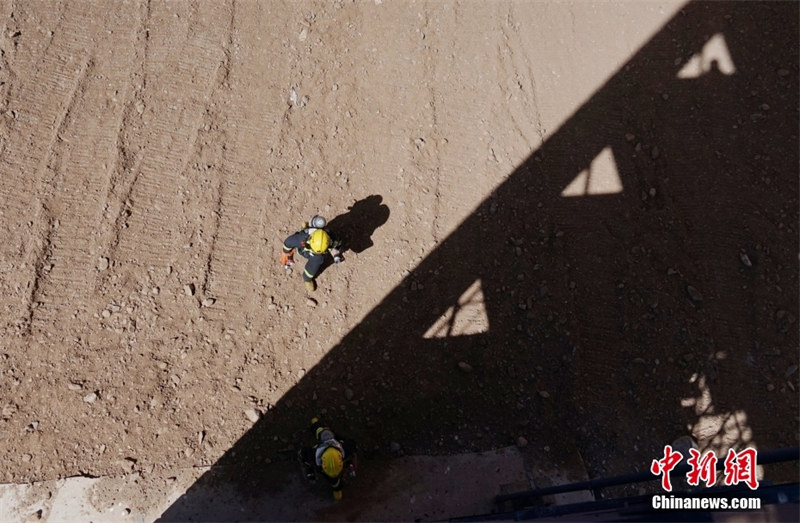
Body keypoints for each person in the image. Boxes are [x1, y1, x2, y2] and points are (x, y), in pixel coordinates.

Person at [299, 417, 357, 500]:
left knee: (327, 433)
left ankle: (316, 424)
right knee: (320, 431)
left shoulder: (345, 449)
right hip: (324, 443)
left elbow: (352, 444)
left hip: (334, 443)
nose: (334, 475)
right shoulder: (313, 453)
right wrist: (306, 464)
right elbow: (302, 453)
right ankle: (315, 423)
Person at [281, 215, 343, 292]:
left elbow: (337, 246)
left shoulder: (333, 240)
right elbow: (288, 242)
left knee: (313, 266)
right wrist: (285, 252)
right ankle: (304, 227)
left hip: (316, 257)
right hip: (303, 251)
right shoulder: (302, 238)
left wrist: (336, 255)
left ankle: (307, 279)